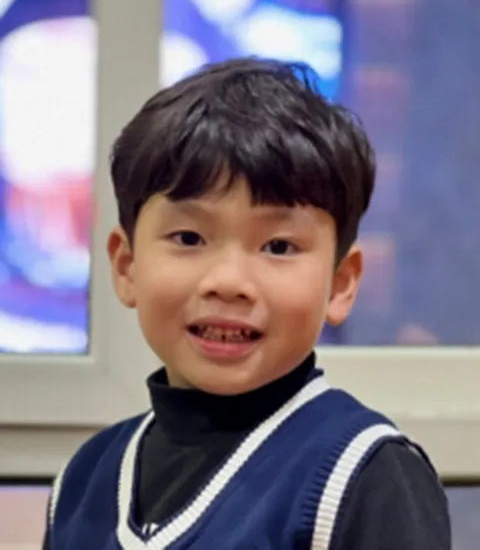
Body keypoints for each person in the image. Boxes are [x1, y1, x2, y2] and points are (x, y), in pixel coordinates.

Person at [43, 57, 451, 549]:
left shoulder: (365, 476)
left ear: (340, 283)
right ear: (127, 266)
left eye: (278, 246)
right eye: (189, 237)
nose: (229, 282)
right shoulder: (84, 480)